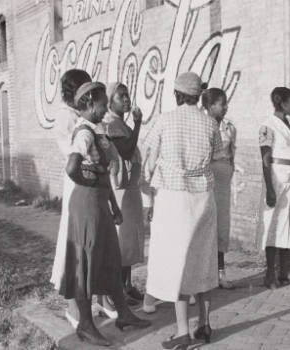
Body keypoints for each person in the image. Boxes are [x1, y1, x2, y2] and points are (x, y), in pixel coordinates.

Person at [61, 82, 150, 347]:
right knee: (86, 263)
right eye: (101, 105)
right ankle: (86, 326)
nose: (104, 110)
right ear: (89, 104)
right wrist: (86, 181)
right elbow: (72, 167)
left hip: (100, 202)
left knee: (111, 257)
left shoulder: (97, 130)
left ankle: (123, 314)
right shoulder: (84, 134)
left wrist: (114, 205)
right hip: (86, 205)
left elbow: (103, 173)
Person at [144, 72, 221, 349]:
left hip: (174, 198)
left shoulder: (165, 120)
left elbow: (148, 155)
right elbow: (215, 154)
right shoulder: (210, 122)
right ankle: (205, 324)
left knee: (177, 262)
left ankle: (181, 331)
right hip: (203, 196)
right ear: (198, 96)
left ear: (176, 95)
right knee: (203, 259)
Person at [97, 82, 146, 316]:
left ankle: (126, 286)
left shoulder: (120, 123)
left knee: (129, 243)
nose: (126, 99)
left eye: (127, 95)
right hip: (119, 190)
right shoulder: (110, 123)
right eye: (121, 96)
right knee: (120, 243)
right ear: (109, 101)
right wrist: (138, 124)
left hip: (130, 189)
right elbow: (126, 151)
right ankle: (116, 290)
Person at [256, 87, 290, 290]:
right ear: (282, 103)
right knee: (273, 225)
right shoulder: (267, 126)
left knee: (287, 225)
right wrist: (270, 189)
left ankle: (283, 272)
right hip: (276, 178)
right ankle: (270, 274)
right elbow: (265, 159)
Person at [50, 69, 92, 328]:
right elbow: (74, 155)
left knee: (88, 243)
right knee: (73, 243)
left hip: (88, 182)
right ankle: (72, 306)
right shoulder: (66, 118)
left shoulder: (80, 115)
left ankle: (88, 301)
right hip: (76, 180)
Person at [202, 88, 236, 289]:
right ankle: (204, 274)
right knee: (205, 225)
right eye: (221, 103)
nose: (225, 107)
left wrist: (229, 169)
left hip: (223, 180)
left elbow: (232, 153)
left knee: (222, 224)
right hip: (205, 178)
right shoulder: (200, 125)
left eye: (225, 103)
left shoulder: (229, 127)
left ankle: (220, 272)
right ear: (209, 106)